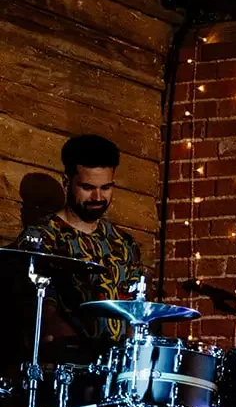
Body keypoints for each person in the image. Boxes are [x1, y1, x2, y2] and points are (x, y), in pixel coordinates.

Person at [15, 133, 142, 352]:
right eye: (88, 188)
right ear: (67, 181)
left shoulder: (125, 244)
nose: (98, 197)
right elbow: (38, 312)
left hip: (116, 367)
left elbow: (135, 309)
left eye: (106, 187)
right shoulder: (41, 239)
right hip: (62, 365)